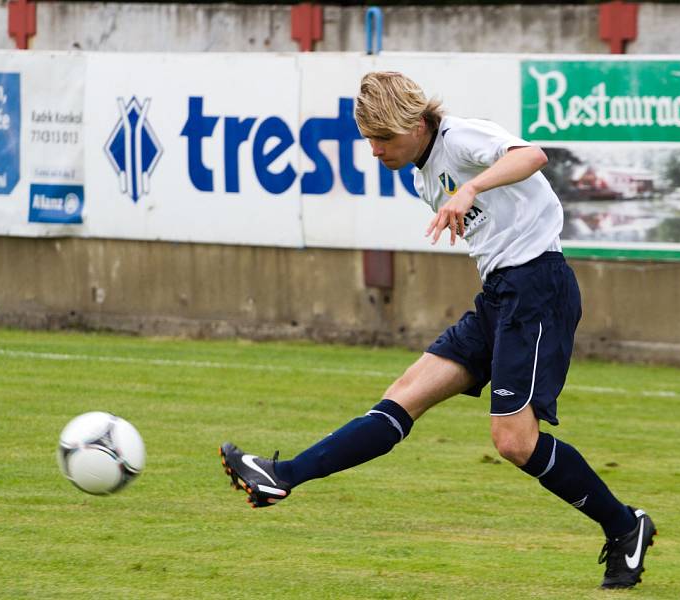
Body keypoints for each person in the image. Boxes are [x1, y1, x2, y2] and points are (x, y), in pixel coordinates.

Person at [220, 71, 656, 589]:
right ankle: (283, 476)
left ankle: (625, 526)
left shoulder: (460, 137)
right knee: (401, 398)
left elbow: (533, 156)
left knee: (515, 441)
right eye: (369, 140)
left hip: (538, 288)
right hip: (501, 296)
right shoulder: (422, 174)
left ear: (416, 124)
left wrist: (469, 186)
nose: (376, 151)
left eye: (383, 138)